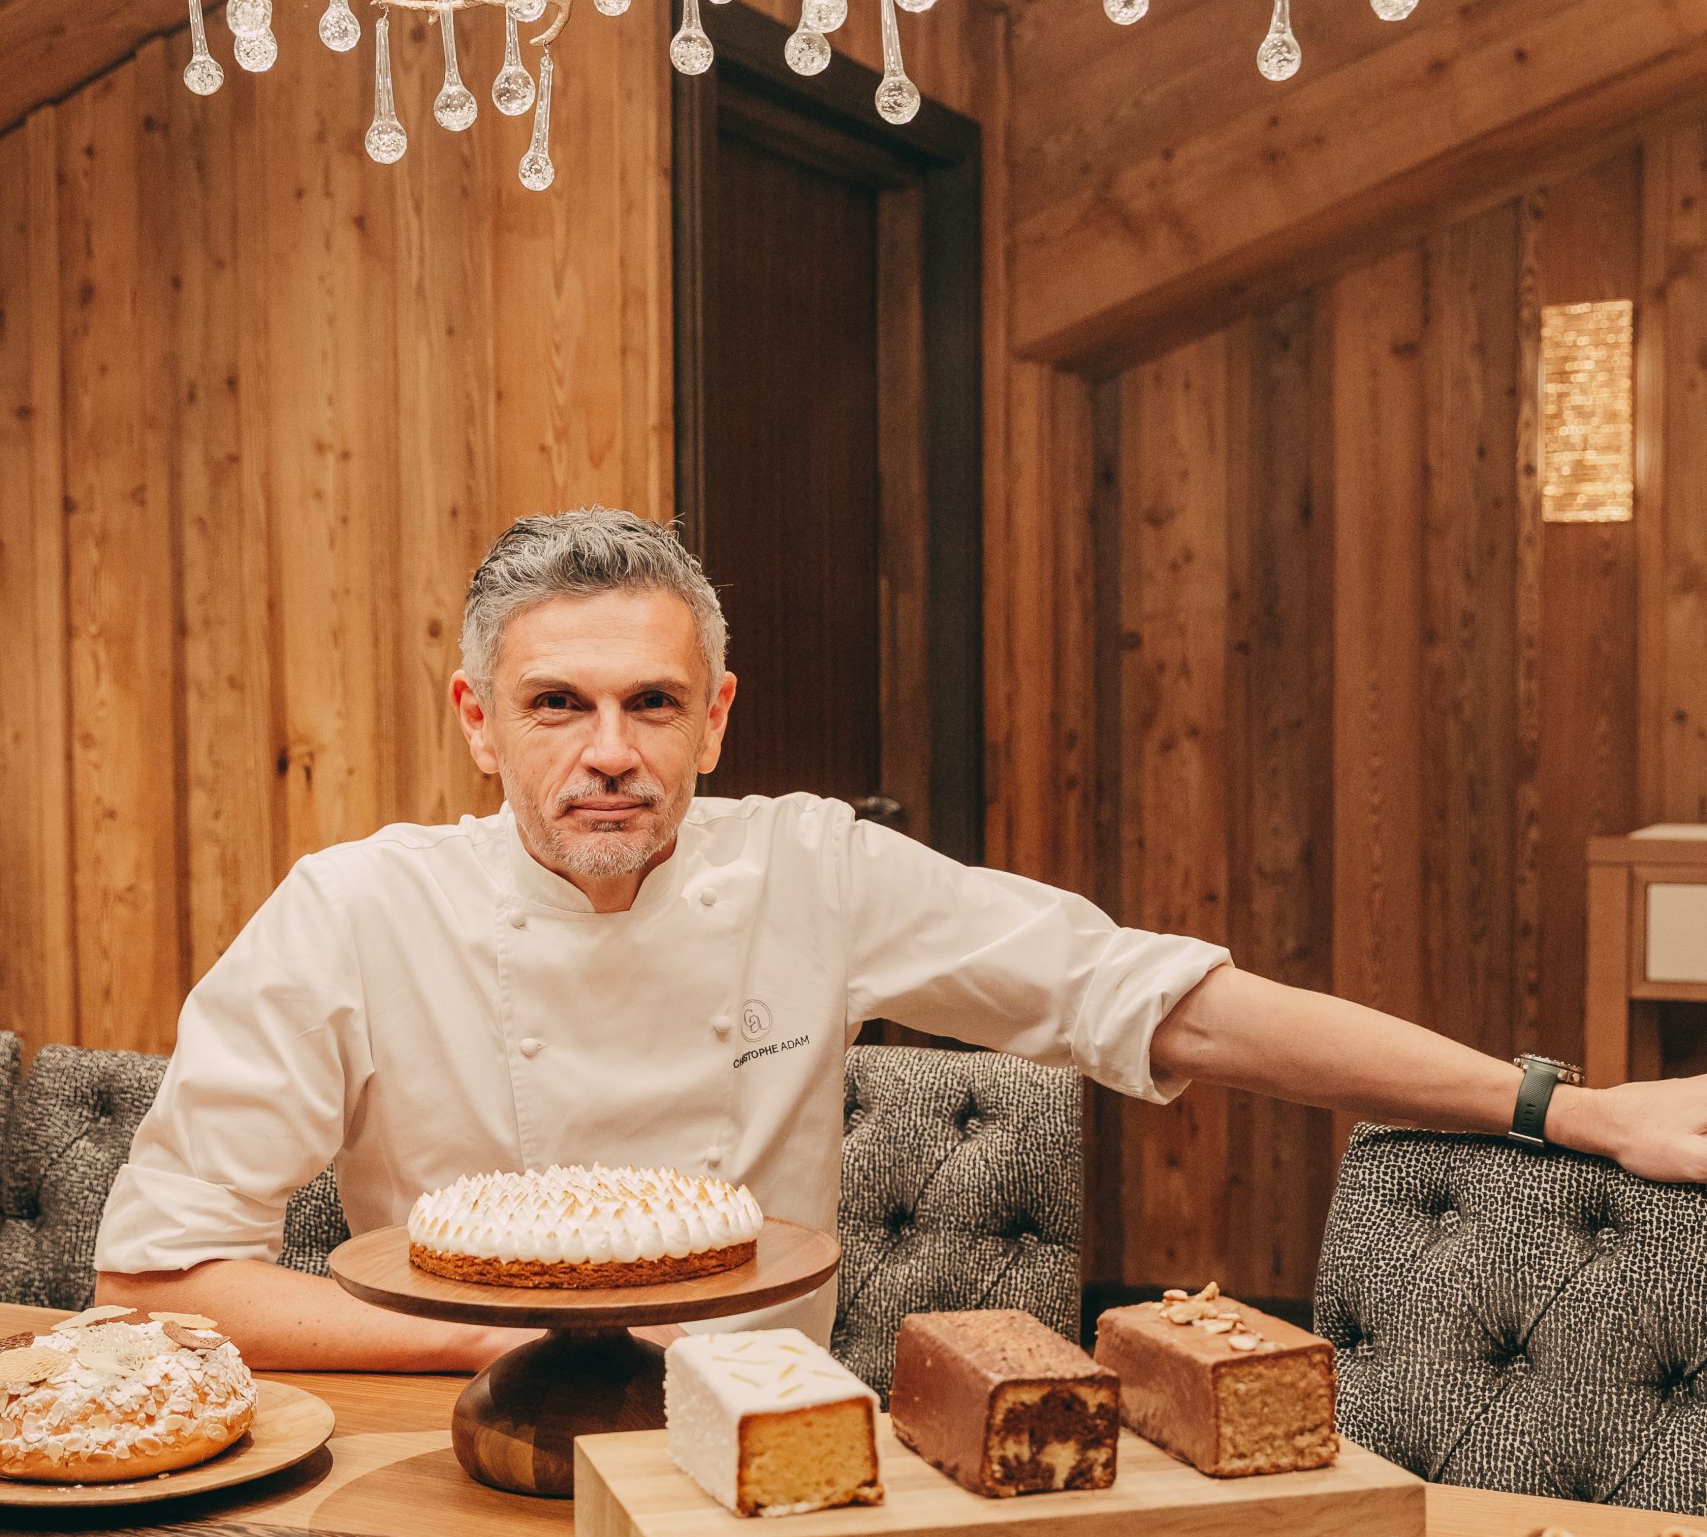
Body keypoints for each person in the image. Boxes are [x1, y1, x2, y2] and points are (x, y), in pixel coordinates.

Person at [97, 507, 1707, 1370]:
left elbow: (1161, 1000)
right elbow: (158, 1271)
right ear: (477, 723)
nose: (609, 750)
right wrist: (508, 1351)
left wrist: (1569, 1107)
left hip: (773, 1437)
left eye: (653, 703)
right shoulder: (354, 908)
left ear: (715, 720)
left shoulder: (818, 868)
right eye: (557, 705)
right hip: (456, 1423)